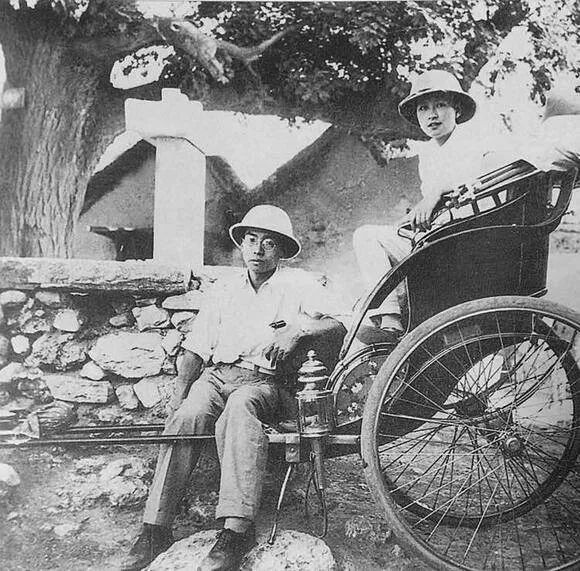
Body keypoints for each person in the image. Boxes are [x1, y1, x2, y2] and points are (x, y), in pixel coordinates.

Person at [121, 204, 346, 571]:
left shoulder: (298, 285)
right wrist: (178, 397)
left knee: (239, 412)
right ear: (242, 244)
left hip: (265, 382)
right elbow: (196, 350)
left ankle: (235, 531)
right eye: (251, 240)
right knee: (187, 417)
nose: (258, 250)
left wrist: (298, 329)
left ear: (281, 249)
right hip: (217, 376)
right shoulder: (224, 290)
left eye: (269, 243)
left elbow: (340, 322)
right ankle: (154, 529)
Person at [353, 69, 496, 342]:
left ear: (456, 109)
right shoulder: (428, 154)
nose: (432, 115)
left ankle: (392, 320)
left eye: (440, 105)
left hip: (467, 240)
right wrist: (415, 215)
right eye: (423, 108)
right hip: (435, 240)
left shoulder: (474, 140)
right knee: (370, 236)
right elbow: (430, 208)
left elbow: (484, 181)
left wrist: (438, 192)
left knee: (367, 236)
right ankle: (390, 319)